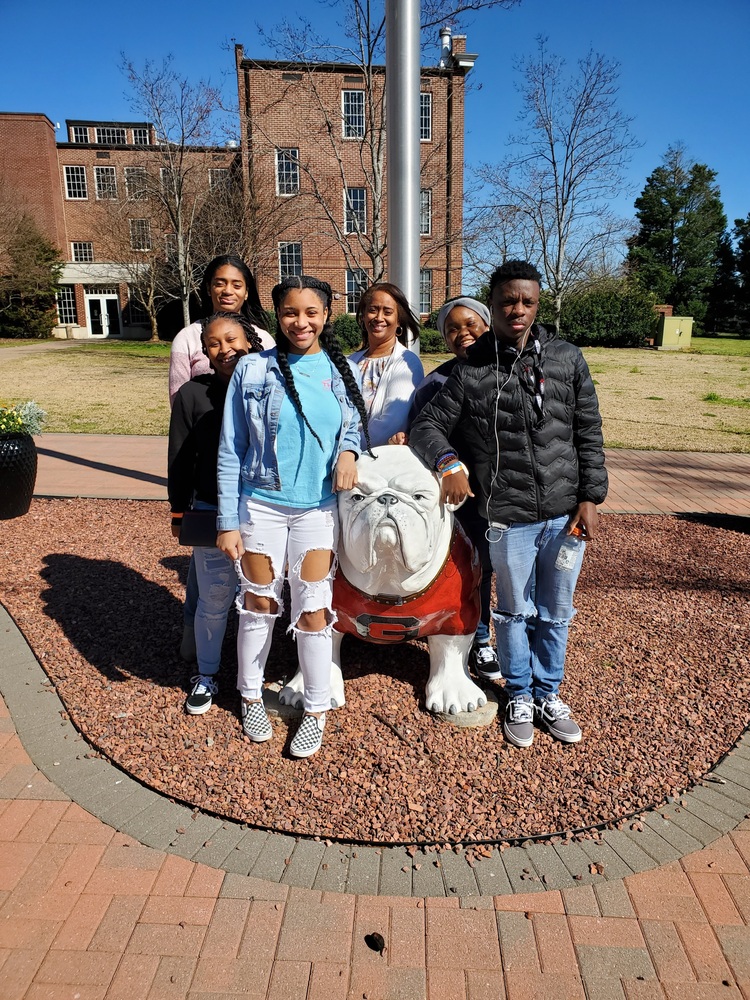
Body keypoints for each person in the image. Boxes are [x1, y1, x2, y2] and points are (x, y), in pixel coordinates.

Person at [409, 261, 608, 748]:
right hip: (508, 519)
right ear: (492, 306)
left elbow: (588, 430)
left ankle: (548, 692)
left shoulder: (566, 359)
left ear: (536, 304)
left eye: (526, 301)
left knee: (556, 611)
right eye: (507, 302)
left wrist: (590, 496)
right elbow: (425, 427)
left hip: (563, 515)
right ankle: (518, 692)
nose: (517, 310)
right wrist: (449, 462)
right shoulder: (472, 369)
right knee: (514, 612)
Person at [216, 275, 371, 759]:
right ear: (276, 316)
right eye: (289, 313)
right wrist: (227, 520)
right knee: (258, 602)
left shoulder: (338, 368)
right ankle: (249, 695)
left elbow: (351, 426)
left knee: (314, 609)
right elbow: (230, 448)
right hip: (260, 504)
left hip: (317, 508)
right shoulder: (252, 370)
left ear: (326, 315)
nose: (300, 322)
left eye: (311, 313)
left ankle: (316, 710)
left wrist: (349, 452)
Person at [168, 255, 274, 664]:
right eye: (219, 282)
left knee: (261, 580)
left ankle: (260, 655)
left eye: (236, 283)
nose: (227, 290)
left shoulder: (264, 341)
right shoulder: (188, 346)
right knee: (207, 574)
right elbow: (182, 433)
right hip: (210, 486)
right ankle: (200, 648)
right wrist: (180, 505)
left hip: (260, 493)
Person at [390, 296, 499, 681]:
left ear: (487, 325)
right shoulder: (435, 382)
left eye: (471, 325)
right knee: (465, 565)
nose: (462, 334)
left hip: (506, 491)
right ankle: (475, 637)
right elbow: (422, 434)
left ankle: (487, 638)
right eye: (452, 329)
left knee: (497, 570)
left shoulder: (510, 371)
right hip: (455, 495)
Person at [349, 282, 424, 446]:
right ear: (363, 316)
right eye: (372, 310)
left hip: (374, 459)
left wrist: (347, 450)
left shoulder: (407, 362)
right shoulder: (350, 362)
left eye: (387, 312)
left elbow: (391, 425)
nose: (379, 317)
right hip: (341, 458)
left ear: (398, 321)